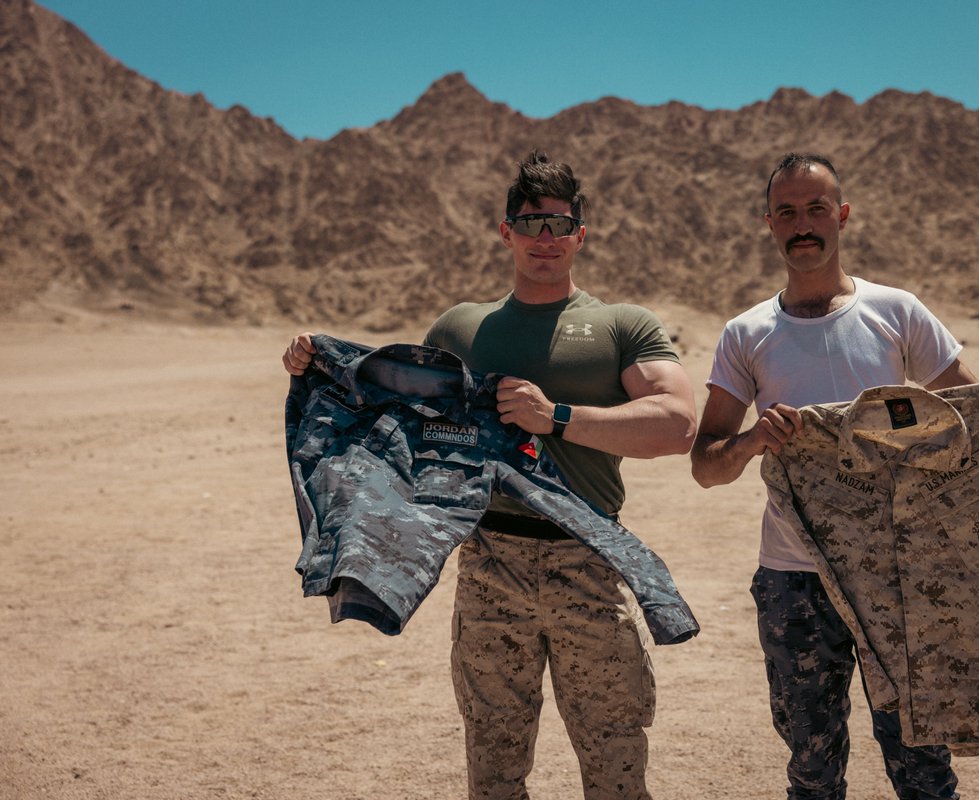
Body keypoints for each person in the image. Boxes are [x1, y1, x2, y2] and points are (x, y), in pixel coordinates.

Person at [283, 150, 697, 800]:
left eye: (559, 224)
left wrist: (554, 417)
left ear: (580, 236)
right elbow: (401, 416)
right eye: (530, 223)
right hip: (488, 567)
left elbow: (676, 424)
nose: (544, 238)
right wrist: (323, 366)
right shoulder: (461, 327)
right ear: (506, 232)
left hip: (586, 560)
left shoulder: (621, 326)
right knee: (493, 773)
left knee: (617, 766)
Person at [689, 152, 979, 800]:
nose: (802, 224)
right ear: (768, 223)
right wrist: (755, 440)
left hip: (902, 574)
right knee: (811, 768)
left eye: (815, 209)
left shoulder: (898, 312)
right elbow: (705, 465)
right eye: (787, 212)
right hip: (794, 580)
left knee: (922, 764)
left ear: (842, 215)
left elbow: (968, 425)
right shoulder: (747, 333)